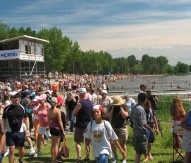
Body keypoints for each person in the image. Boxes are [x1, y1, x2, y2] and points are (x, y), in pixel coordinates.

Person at [2, 91, 30, 163]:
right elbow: (3, 119)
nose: (17, 98)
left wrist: (27, 129)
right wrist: (4, 128)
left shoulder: (22, 108)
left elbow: (26, 119)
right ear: (11, 98)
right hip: (10, 132)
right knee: (11, 149)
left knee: (21, 149)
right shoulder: (7, 109)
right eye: (15, 97)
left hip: (20, 132)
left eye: (18, 97)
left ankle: (21, 159)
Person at [130, 92, 154, 163]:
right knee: (138, 153)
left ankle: (149, 156)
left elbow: (130, 118)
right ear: (145, 99)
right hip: (141, 133)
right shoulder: (141, 109)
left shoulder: (134, 107)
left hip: (135, 132)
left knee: (138, 151)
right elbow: (144, 124)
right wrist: (151, 129)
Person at [72, 88, 93, 162]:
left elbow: (73, 113)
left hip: (80, 124)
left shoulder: (80, 103)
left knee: (78, 142)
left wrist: (78, 115)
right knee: (87, 142)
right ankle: (87, 156)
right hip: (89, 124)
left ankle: (79, 158)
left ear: (80, 94)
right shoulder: (90, 102)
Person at [108, 96, 128, 163]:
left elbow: (125, 116)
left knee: (122, 143)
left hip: (122, 127)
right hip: (113, 126)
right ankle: (115, 157)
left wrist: (121, 109)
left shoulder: (124, 106)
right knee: (112, 143)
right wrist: (113, 108)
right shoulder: (112, 107)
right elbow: (109, 116)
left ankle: (124, 158)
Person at [48, 97, 65, 163]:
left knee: (52, 144)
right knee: (56, 145)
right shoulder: (57, 110)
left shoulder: (49, 110)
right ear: (56, 103)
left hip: (52, 128)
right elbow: (60, 122)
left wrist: (49, 127)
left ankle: (52, 160)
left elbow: (49, 121)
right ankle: (55, 160)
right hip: (57, 129)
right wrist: (63, 130)